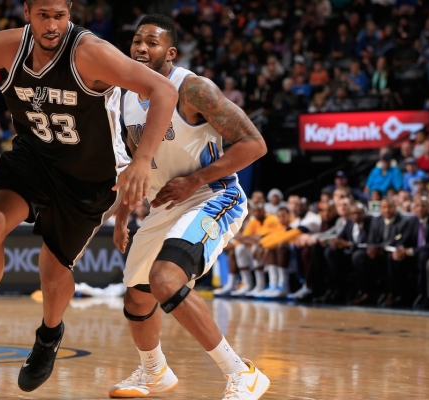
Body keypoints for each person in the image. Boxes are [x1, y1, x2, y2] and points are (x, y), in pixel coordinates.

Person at [0, 0, 177, 389]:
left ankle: (48, 336)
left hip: (90, 174)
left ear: (69, 13)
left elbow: (163, 89)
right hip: (35, 156)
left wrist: (142, 159)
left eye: (59, 16)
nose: (52, 25)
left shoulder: (90, 53)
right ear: (28, 12)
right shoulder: (7, 46)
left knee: (51, 268)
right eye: (43, 15)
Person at [108, 15, 268, 399]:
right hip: (164, 204)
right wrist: (123, 215)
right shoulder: (125, 97)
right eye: (137, 41)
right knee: (137, 296)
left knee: (166, 280)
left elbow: (254, 144)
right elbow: (137, 165)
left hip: (212, 195)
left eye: (152, 42)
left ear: (171, 53)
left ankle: (242, 372)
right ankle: (154, 373)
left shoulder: (194, 89)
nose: (141, 48)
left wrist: (194, 180)